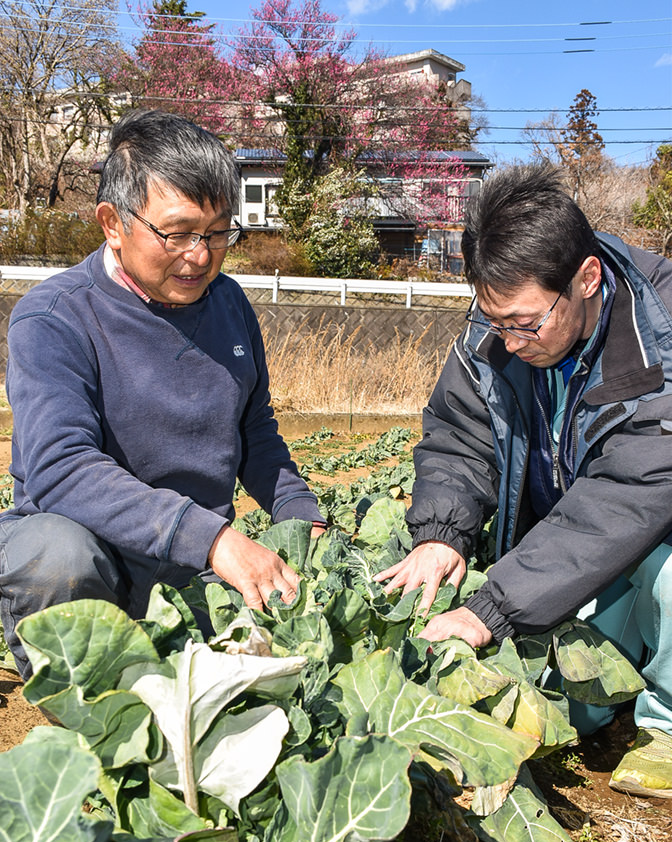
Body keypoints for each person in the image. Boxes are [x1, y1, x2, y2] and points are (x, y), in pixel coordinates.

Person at [376, 163, 672, 798]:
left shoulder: (661, 338)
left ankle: (669, 722)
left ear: (586, 278)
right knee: (575, 710)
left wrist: (493, 608)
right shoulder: (504, 322)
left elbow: (628, 497)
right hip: (565, 548)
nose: (507, 342)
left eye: (525, 323)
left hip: (646, 531)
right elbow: (459, 431)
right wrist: (442, 532)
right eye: (494, 321)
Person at [0, 109, 326, 680]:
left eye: (218, 232)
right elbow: (61, 467)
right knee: (57, 559)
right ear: (112, 223)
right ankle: (76, 695)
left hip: (190, 563)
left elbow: (255, 435)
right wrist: (215, 539)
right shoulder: (53, 318)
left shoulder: (229, 306)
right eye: (176, 233)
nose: (199, 255)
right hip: (93, 557)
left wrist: (304, 520)